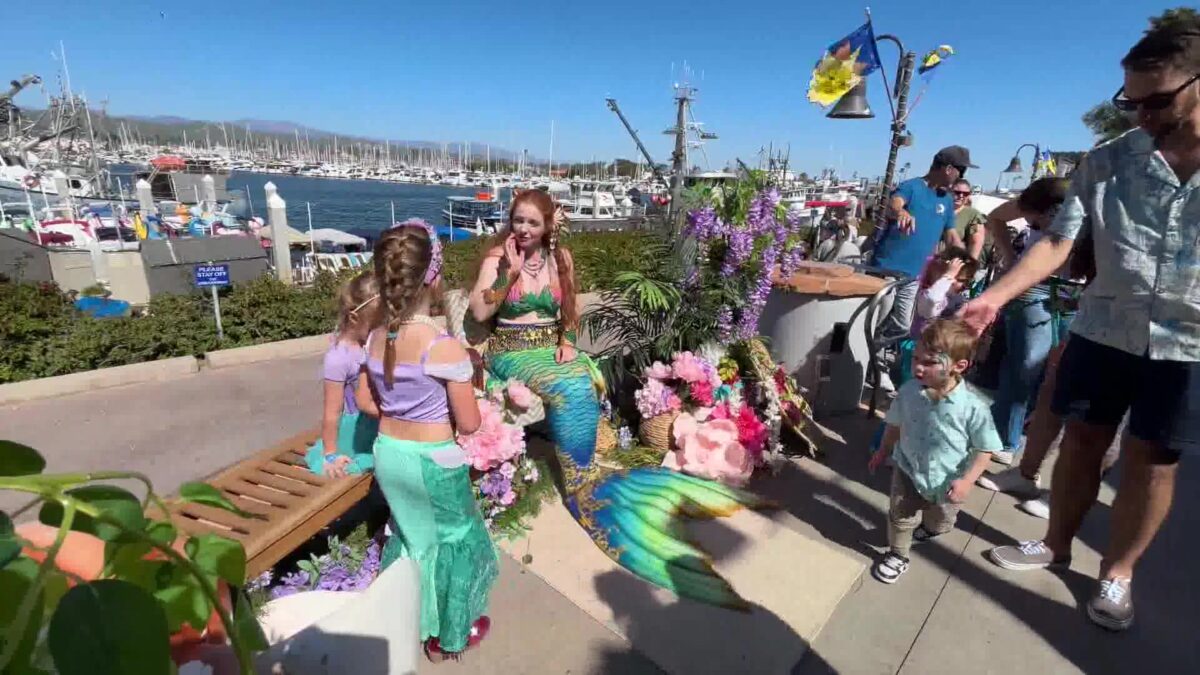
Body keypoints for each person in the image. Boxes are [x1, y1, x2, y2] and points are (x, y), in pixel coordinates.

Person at [960, 22, 1200, 631]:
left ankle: (1117, 573)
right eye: (1130, 102)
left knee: (1153, 461)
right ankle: (1055, 544)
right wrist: (995, 297)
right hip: (1104, 329)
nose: (1141, 115)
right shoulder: (1108, 161)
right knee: (1081, 442)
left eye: (1156, 101)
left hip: (1189, 345)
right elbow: (1057, 242)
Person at [469, 189, 769, 609]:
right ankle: (580, 483)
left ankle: (584, 467)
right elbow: (479, 314)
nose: (523, 229)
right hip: (511, 351)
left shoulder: (561, 258)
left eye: (532, 222)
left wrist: (567, 343)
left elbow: (569, 310)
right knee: (571, 387)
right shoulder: (498, 257)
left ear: (548, 225)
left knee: (583, 373)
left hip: (550, 348)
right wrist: (508, 275)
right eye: (518, 220)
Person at [365, 220, 497, 661]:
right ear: (433, 278)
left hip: (389, 454)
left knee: (412, 539)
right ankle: (447, 636)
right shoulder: (442, 347)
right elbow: (469, 423)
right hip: (433, 462)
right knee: (456, 540)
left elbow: (368, 401)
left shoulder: (375, 338)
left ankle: (404, 620)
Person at [867, 319, 1002, 583]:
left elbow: (985, 448)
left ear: (959, 366)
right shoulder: (908, 392)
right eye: (916, 358)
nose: (918, 367)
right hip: (908, 468)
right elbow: (894, 424)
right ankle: (898, 554)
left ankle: (932, 528)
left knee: (940, 520)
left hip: (948, 479)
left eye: (929, 362)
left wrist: (967, 481)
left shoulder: (974, 407)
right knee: (900, 516)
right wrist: (883, 450)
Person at [978, 178, 1074, 466]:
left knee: (1058, 369)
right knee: (1025, 364)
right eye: (1033, 225)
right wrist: (1011, 257)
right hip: (1035, 285)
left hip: (1074, 290)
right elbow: (995, 217)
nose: (1036, 226)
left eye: (1035, 223)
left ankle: (1030, 439)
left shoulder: (1085, 202)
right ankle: (1004, 438)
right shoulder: (1037, 198)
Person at [871, 146, 973, 390]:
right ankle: (869, 363)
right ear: (949, 169)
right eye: (961, 171)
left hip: (914, 275)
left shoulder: (946, 200)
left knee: (902, 326)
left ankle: (871, 356)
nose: (961, 177)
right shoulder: (912, 186)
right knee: (876, 319)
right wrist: (901, 212)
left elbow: (951, 235)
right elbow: (894, 203)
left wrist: (966, 259)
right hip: (886, 269)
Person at [304, 273, 381, 477]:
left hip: (378, 423)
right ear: (354, 318)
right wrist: (330, 454)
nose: (378, 330)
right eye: (373, 324)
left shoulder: (370, 343)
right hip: (356, 432)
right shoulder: (339, 357)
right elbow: (332, 412)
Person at [951, 178, 987, 260]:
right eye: (957, 192)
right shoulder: (939, 209)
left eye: (965, 193)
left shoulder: (973, 215)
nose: (961, 196)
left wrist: (970, 263)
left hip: (954, 261)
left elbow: (975, 242)